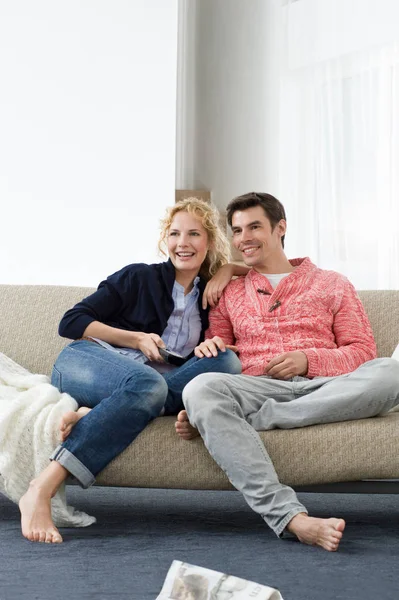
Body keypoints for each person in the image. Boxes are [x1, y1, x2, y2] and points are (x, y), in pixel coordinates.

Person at [176, 192, 399, 552]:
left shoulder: (333, 283)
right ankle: (290, 517)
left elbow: (362, 352)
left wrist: (308, 360)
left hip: (328, 388)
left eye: (254, 227)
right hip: (257, 387)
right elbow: (217, 350)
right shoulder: (228, 291)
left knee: (392, 373)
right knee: (200, 388)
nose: (244, 238)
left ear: (280, 227)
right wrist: (209, 349)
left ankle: (267, 418)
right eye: (236, 230)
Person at [19, 197, 243, 544]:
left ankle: (101, 413)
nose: (183, 243)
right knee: (148, 384)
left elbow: (265, 268)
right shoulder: (139, 276)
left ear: (209, 242)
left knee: (227, 361)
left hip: (150, 385)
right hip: (87, 361)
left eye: (194, 234)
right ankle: (41, 486)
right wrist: (135, 338)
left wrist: (229, 269)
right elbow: (71, 321)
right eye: (175, 234)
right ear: (165, 240)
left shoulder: (210, 293)